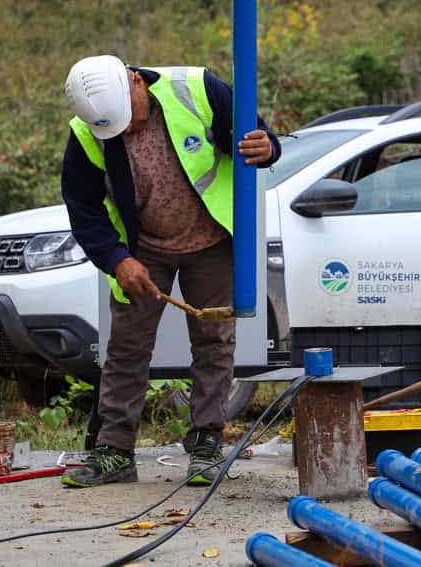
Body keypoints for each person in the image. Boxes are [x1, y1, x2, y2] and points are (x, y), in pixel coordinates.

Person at [58, 55, 279, 488]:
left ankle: (206, 444)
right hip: (144, 252)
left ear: (137, 82)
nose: (128, 132)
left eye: (131, 120)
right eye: (117, 130)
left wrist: (268, 147)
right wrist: (118, 259)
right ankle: (115, 451)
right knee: (126, 349)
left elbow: (256, 136)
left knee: (214, 343)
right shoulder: (88, 132)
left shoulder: (197, 89)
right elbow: (83, 208)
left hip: (212, 239)